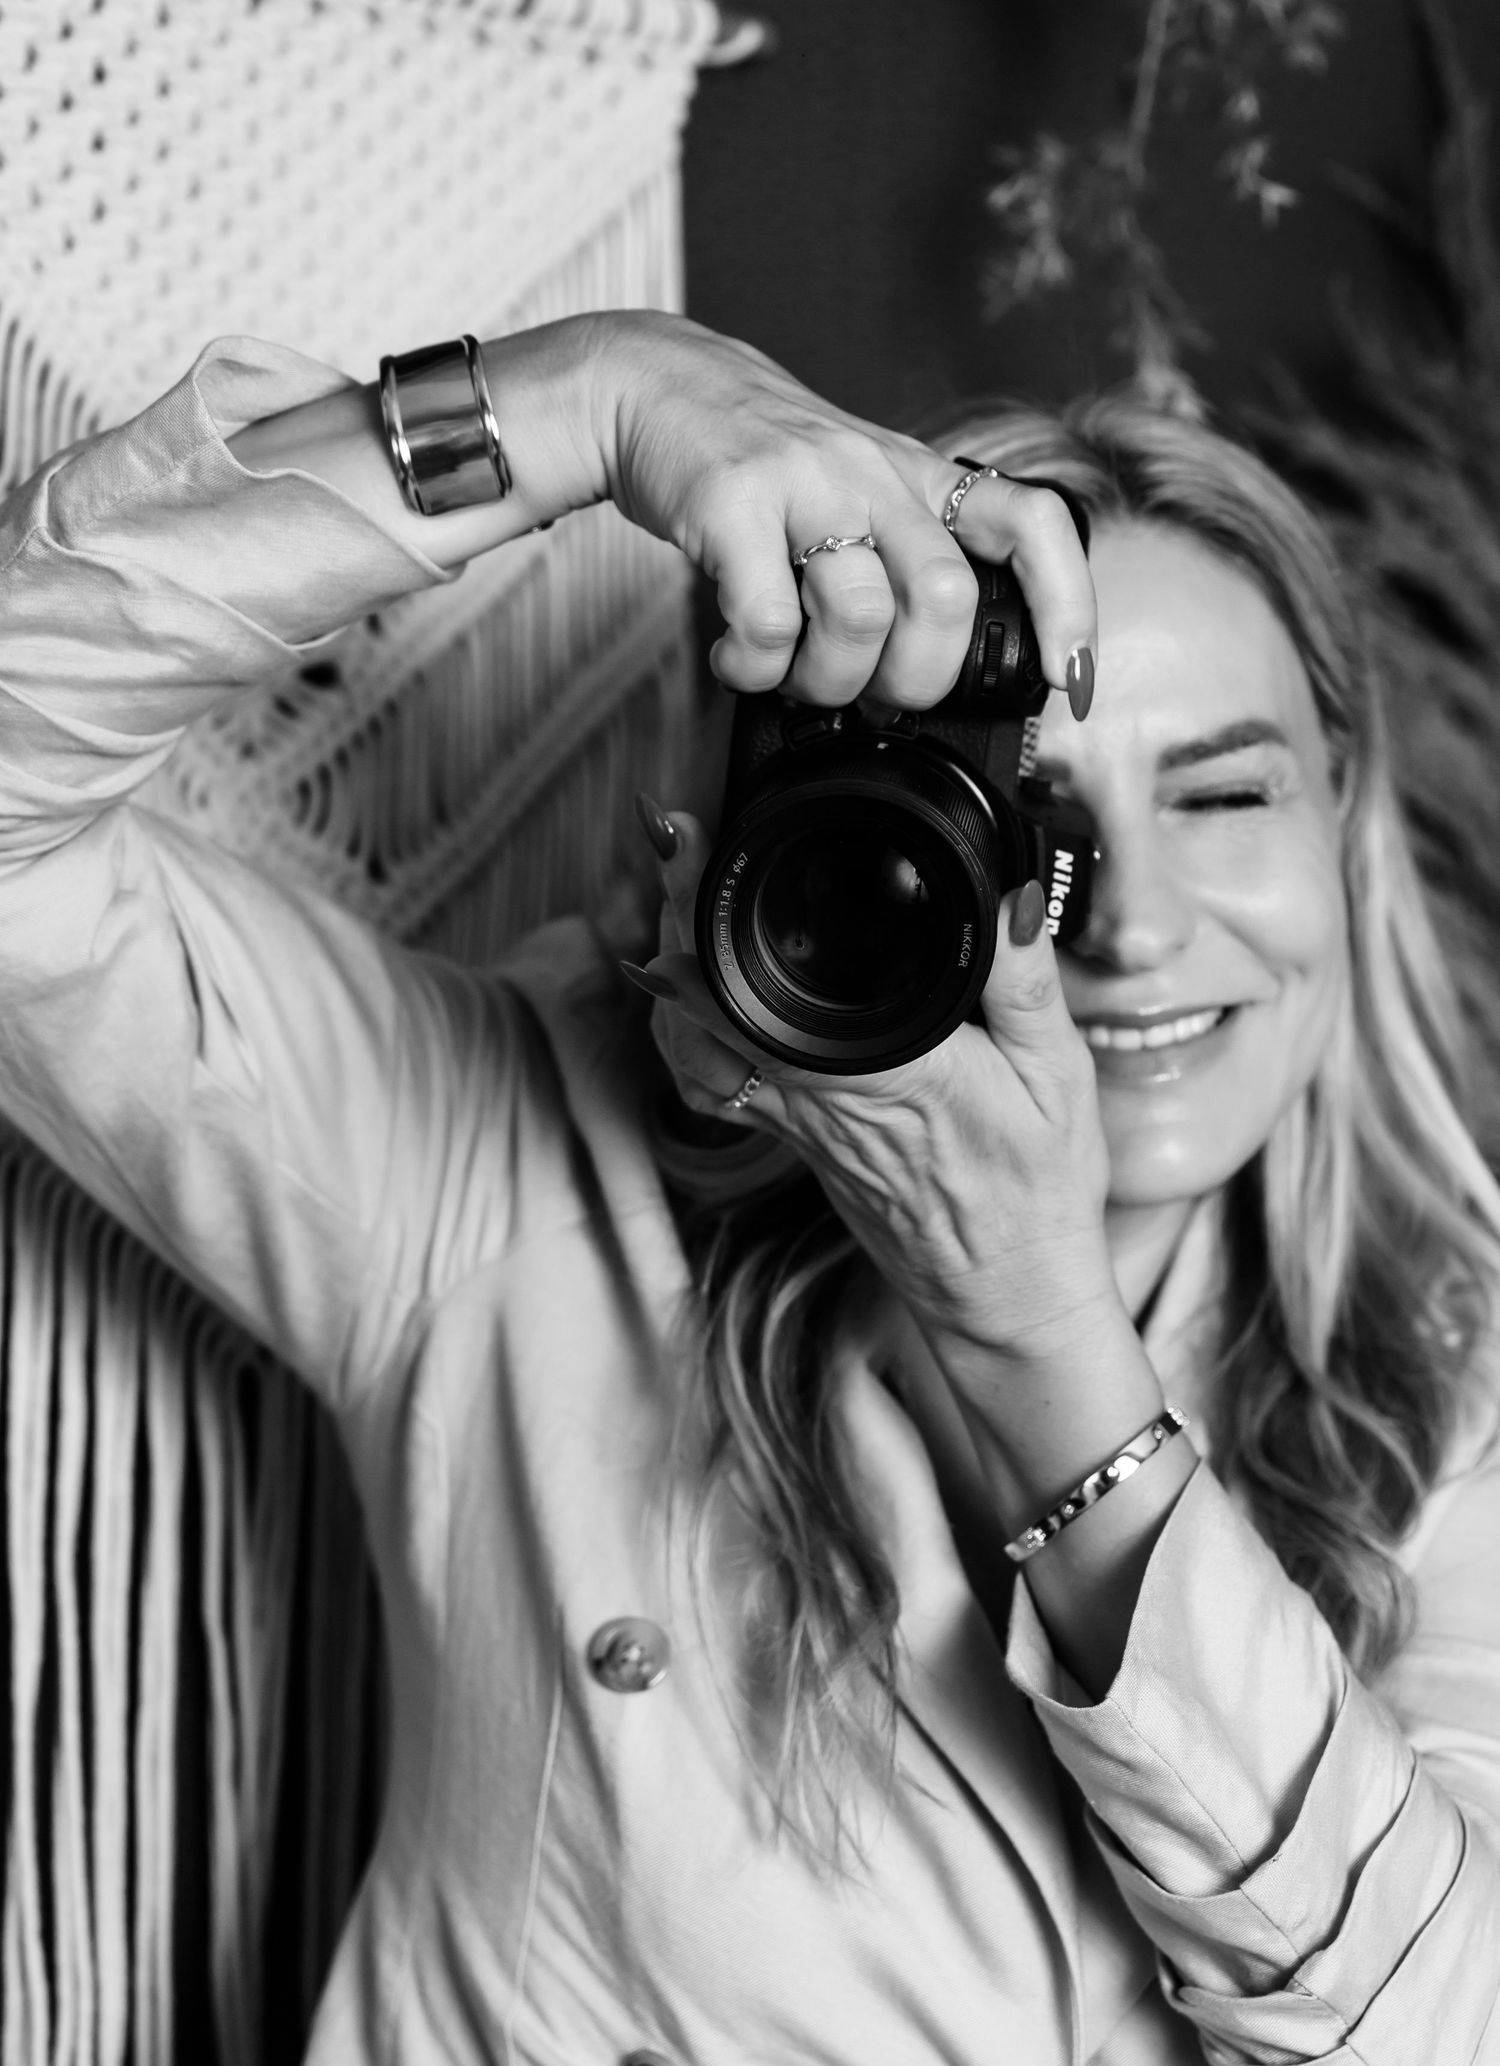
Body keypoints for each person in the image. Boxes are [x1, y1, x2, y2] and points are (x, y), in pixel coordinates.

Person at [1, 308, 1497, 2066]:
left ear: (1344, 824)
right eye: (1017, 814)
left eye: (1225, 792)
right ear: (775, 833)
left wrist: (1031, 1330)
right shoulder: (492, 1174)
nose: (1132, 922)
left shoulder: (1460, 1372)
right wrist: (585, 398)